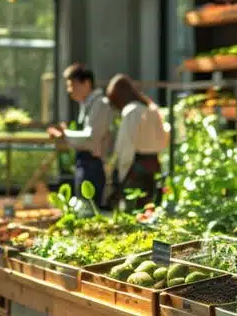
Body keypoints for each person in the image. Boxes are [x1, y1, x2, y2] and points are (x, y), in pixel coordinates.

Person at [48, 63, 113, 206]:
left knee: (89, 208)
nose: (69, 90)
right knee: (83, 207)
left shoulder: (100, 104)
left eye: (73, 85)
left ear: (86, 83)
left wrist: (64, 134)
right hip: (84, 162)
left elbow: (91, 137)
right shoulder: (87, 104)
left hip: (93, 164)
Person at [105, 74, 170, 210]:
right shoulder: (151, 108)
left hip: (136, 168)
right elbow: (164, 139)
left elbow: (125, 147)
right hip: (154, 165)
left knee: (134, 211)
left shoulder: (132, 111)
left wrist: (120, 176)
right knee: (150, 210)